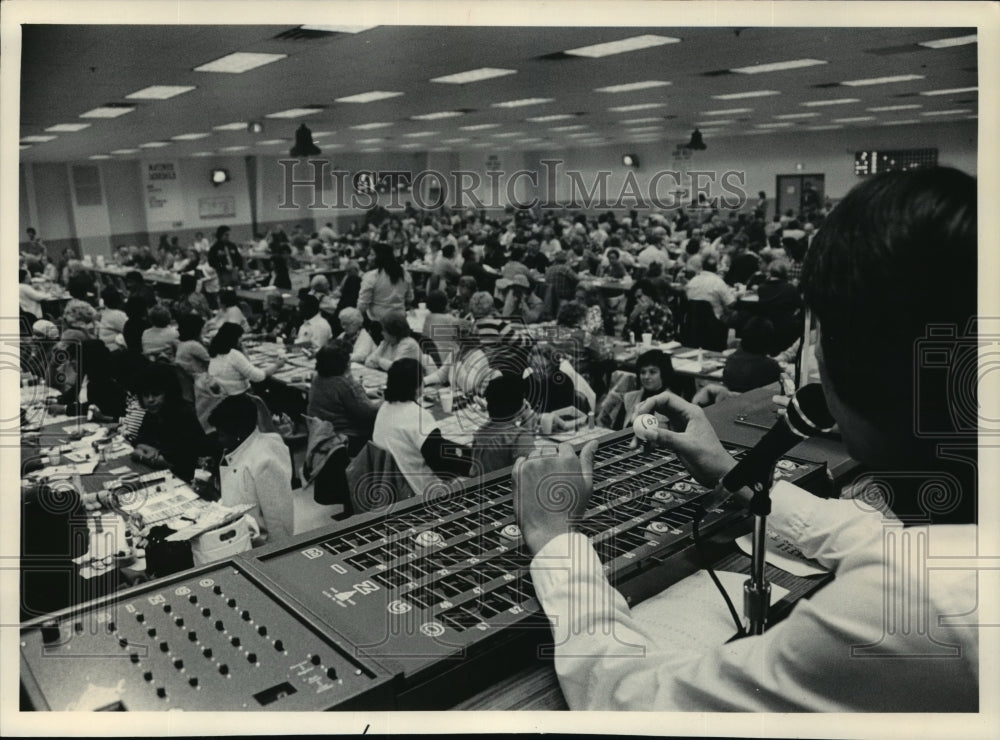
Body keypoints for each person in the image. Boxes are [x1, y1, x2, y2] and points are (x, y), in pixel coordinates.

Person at [511, 167, 978, 711]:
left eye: (816, 328)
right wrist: (729, 474)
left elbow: (634, 706)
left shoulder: (907, 609)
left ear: (856, 361)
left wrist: (556, 542)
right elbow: (883, 539)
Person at [371, 358, 471, 496]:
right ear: (417, 387)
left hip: (389, 484)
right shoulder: (417, 415)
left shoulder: (384, 407)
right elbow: (440, 463)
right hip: (417, 490)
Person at [209, 394, 293, 544]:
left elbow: (279, 520)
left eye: (221, 434)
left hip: (260, 544)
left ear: (238, 433)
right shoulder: (237, 449)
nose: (218, 439)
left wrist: (277, 552)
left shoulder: (264, 462)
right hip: (240, 534)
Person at [132, 362, 210, 481]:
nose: (150, 400)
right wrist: (149, 453)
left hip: (189, 478)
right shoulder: (152, 413)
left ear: (169, 392)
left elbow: (172, 463)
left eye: (156, 394)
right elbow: (139, 442)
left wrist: (142, 455)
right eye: (145, 395)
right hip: (163, 474)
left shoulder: (183, 415)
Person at [307, 341, 380, 456]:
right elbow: (369, 413)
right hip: (345, 438)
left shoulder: (318, 378)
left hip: (320, 433)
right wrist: (385, 400)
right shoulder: (344, 384)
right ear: (344, 363)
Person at [469, 374, 537, 476]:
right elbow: (531, 471)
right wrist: (528, 426)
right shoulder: (518, 438)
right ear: (521, 407)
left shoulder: (480, 432)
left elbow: (472, 472)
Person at [596, 348, 675, 429]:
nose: (646, 377)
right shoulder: (629, 398)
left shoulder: (673, 403)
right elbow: (618, 431)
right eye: (643, 372)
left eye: (652, 372)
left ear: (663, 374)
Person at [208, 322, 284, 396]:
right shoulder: (233, 354)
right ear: (234, 338)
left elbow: (248, 365)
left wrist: (242, 349)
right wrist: (277, 365)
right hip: (238, 396)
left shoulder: (216, 351)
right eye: (240, 338)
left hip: (223, 395)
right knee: (276, 385)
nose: (241, 340)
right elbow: (257, 377)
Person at [357, 242, 414, 323]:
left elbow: (362, 306)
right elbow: (410, 298)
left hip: (378, 322)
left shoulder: (371, 276)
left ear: (380, 257)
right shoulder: (404, 274)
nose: (368, 257)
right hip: (400, 319)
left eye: (372, 255)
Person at [685, 254, 736, 320]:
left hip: (694, 321)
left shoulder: (692, 281)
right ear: (717, 267)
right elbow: (731, 304)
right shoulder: (718, 282)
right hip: (715, 321)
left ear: (702, 267)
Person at [623, 279, 675, 343]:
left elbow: (652, 338)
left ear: (650, 296)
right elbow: (625, 337)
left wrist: (644, 314)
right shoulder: (636, 310)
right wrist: (631, 319)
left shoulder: (663, 311)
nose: (637, 301)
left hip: (662, 347)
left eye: (640, 297)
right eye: (635, 298)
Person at [174, 313, 211, 378]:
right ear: (196, 329)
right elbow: (211, 361)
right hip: (201, 378)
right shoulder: (194, 346)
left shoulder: (181, 343)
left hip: (191, 377)